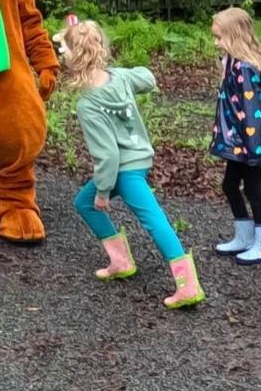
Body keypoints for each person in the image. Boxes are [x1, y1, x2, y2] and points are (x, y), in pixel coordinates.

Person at [58, 18, 204, 309]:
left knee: (153, 220)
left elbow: (108, 155)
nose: (60, 54)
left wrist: (102, 191)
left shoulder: (88, 105)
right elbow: (148, 78)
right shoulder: (120, 77)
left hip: (125, 170)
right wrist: (118, 74)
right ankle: (120, 260)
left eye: (63, 49)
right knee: (82, 202)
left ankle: (187, 286)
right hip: (140, 160)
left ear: (76, 58)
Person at [209, 7, 261, 264]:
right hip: (238, 140)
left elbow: (251, 110)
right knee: (229, 185)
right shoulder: (232, 62)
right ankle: (245, 236)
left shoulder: (246, 68)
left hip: (249, 143)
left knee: (252, 189)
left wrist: (252, 147)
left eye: (219, 37)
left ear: (235, 36)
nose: (215, 43)